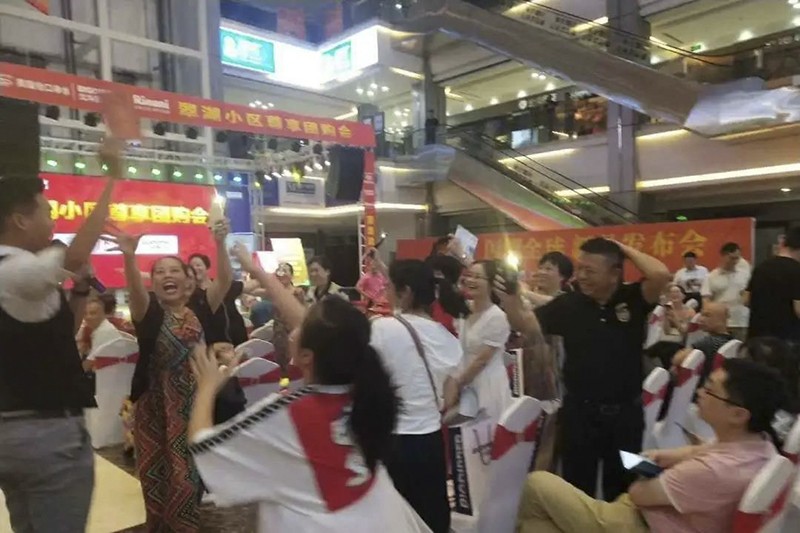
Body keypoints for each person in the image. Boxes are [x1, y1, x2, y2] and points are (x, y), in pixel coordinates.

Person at [187, 269, 431, 532]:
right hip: (380, 515)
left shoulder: (291, 413)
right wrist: (260, 273)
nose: (294, 327)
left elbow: (204, 447)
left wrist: (207, 388)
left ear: (306, 356)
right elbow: (326, 333)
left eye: (300, 327)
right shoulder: (364, 390)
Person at [0, 138, 123, 532]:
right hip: (45, 434)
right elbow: (73, 255)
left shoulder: (21, 278)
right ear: (20, 220)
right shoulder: (13, 268)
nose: (53, 222)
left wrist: (81, 290)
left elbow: (56, 337)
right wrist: (112, 178)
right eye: (48, 213)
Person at [516, 358, 786, 533]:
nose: (700, 392)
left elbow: (638, 494)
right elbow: (703, 449)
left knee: (537, 484)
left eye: (710, 389)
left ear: (738, 414)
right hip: (667, 515)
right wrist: (673, 458)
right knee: (542, 523)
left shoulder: (712, 471)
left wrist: (656, 467)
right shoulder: (758, 445)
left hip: (641, 523)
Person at [107, 220, 228, 532]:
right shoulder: (149, 313)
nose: (167, 275)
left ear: (188, 281)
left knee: (186, 479)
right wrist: (129, 256)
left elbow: (224, 280)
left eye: (174, 270)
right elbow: (135, 290)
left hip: (192, 407)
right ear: (155, 282)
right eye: (160, 271)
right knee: (155, 481)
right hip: (154, 409)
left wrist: (220, 243)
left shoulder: (201, 308)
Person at [532, 238, 671, 500]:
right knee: (576, 488)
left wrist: (620, 247)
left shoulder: (634, 298)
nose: (582, 276)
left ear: (615, 273)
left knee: (623, 487)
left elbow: (661, 274)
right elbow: (529, 325)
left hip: (625, 416)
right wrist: (511, 299)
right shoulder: (569, 305)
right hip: (579, 414)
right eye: (580, 269)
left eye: (590, 270)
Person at [371, 259, 464, 533]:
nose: (385, 292)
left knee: (394, 518)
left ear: (406, 292)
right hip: (431, 440)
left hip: (393, 438)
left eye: (389, 286)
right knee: (431, 514)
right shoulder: (448, 338)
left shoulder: (382, 328)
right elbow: (451, 393)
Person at [448, 259, 512, 422]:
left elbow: (482, 360)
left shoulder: (497, 317)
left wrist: (458, 384)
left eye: (477, 277)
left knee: (484, 431)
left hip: (487, 383)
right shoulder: (464, 310)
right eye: (469, 275)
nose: (471, 280)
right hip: (465, 380)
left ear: (491, 283)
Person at [744, 228, 800, 342]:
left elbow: (746, 299)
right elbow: (798, 309)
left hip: (758, 337)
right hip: (787, 339)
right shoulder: (797, 270)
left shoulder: (761, 267)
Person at [188, 251, 245, 346]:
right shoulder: (192, 295)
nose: (195, 268)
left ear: (207, 268)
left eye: (198, 265)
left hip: (237, 337)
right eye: (192, 266)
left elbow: (249, 287)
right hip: (213, 345)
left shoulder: (222, 285)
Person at [672, 302, 734, 386]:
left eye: (707, 315)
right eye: (701, 314)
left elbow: (677, 359)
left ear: (721, 319)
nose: (701, 319)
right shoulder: (732, 341)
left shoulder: (709, 342)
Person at [701, 242, 750, 340]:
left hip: (740, 321)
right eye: (732, 258)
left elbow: (749, 297)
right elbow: (706, 301)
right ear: (723, 256)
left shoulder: (745, 275)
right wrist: (708, 319)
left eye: (737, 258)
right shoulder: (711, 276)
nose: (735, 261)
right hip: (720, 324)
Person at [78, 297, 125, 370]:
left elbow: (90, 362)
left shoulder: (104, 331)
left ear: (103, 314)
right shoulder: (102, 328)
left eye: (93, 313)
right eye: (85, 313)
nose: (88, 317)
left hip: (109, 373)